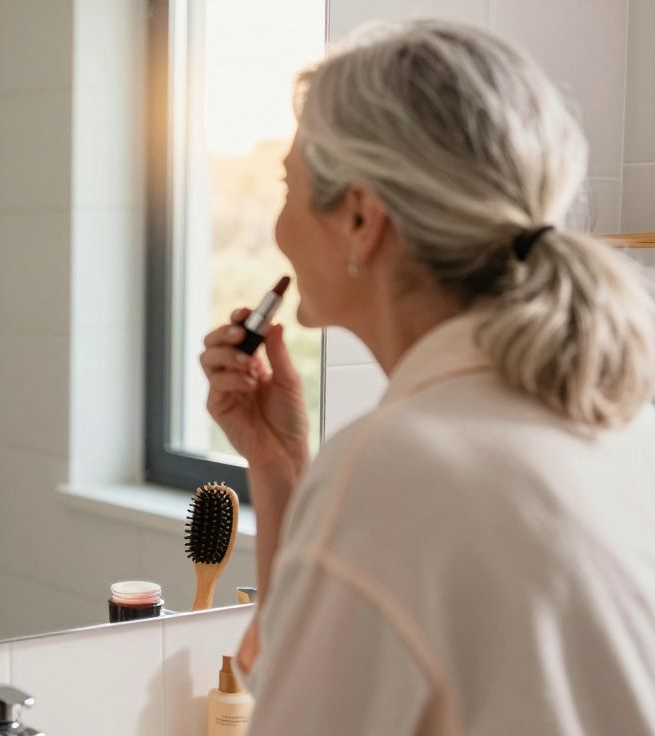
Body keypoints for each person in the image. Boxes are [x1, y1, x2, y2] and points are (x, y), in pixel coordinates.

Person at [201, 21, 655, 734]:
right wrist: (282, 468)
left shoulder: (397, 471)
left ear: (359, 216)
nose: (278, 227)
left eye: (288, 187)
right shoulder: (620, 419)